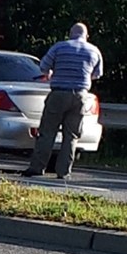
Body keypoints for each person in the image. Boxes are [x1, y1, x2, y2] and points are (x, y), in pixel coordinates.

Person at [22, 22, 103, 180]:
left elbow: (44, 67)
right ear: (86, 36)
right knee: (71, 135)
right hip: (81, 95)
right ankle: (64, 172)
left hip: (58, 93)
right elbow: (97, 74)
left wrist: (51, 73)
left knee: (47, 132)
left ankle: (37, 168)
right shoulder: (94, 51)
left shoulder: (59, 47)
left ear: (70, 34)